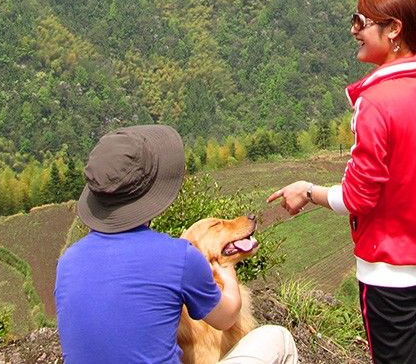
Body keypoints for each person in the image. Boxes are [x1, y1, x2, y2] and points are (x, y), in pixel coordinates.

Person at [268, 0, 416, 364]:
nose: (354, 30)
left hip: (390, 274)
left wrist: (308, 191)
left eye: (360, 21)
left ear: (393, 29)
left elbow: (358, 197)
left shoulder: (376, 104)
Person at [55, 124, 298, 364]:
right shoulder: (178, 255)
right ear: (150, 193)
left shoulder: (67, 262)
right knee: (278, 338)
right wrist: (226, 268)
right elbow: (227, 317)